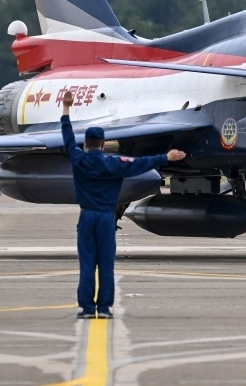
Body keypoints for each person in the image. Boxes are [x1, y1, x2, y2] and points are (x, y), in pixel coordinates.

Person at [61, 91, 186, 319]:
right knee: (106, 264)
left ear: (86, 143)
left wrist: (66, 109)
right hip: (106, 218)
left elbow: (68, 139)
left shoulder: (78, 160)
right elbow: (141, 163)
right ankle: (104, 309)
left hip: (87, 217)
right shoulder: (114, 163)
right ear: (103, 144)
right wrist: (166, 158)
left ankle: (87, 309)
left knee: (87, 264)